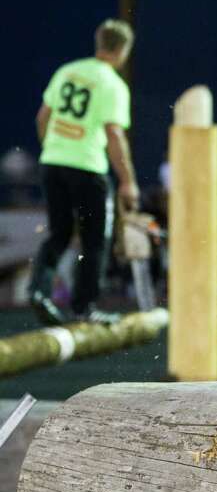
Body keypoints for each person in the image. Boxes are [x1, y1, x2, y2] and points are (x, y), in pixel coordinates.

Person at [30, 19, 139, 325]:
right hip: (88, 167)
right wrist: (128, 182)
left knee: (59, 233)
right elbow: (115, 136)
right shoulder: (113, 84)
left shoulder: (67, 71)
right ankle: (84, 307)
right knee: (95, 240)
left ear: (99, 42)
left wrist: (52, 150)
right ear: (123, 51)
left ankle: (38, 292)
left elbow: (43, 118)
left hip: (52, 163)